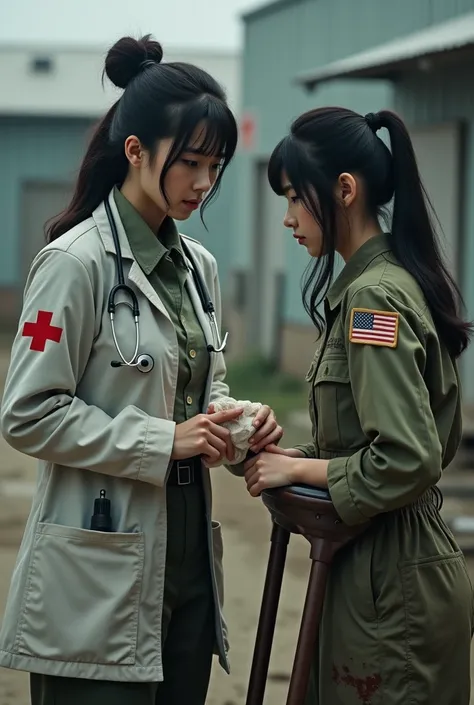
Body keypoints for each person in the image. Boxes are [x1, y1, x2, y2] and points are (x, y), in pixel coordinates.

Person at [0, 34, 282, 705]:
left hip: (184, 564)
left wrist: (235, 421)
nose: (205, 182)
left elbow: (197, 384)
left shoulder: (200, 269)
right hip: (98, 562)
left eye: (214, 164)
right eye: (189, 163)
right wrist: (164, 440)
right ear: (135, 151)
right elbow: (28, 413)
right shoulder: (76, 264)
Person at [243, 106, 474, 704]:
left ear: (344, 190)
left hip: (392, 577)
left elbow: (404, 457)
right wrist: (297, 455)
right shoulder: (374, 285)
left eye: (296, 197)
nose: (289, 218)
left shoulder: (375, 300)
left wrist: (296, 469)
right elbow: (363, 443)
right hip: (372, 568)